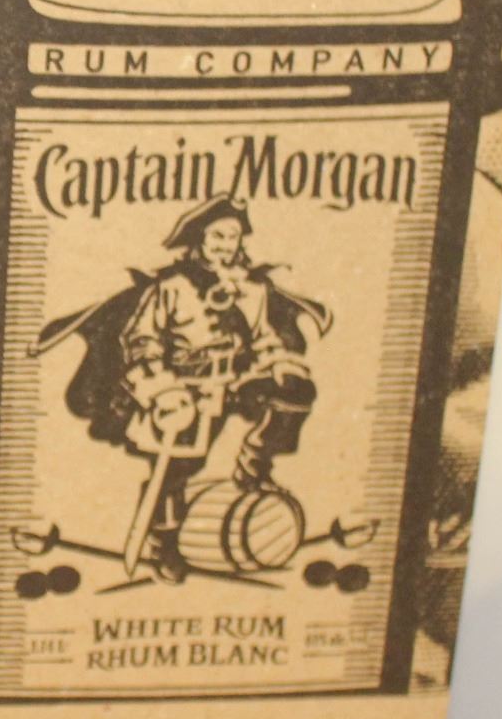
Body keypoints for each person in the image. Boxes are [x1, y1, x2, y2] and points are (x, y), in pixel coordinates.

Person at [36, 196, 330, 563]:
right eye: (217, 236)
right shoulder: (172, 287)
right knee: (178, 469)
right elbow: (141, 341)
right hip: (185, 391)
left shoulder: (252, 290)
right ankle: (164, 543)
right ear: (199, 240)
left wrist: (277, 363)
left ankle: (255, 464)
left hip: (235, 382)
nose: (226, 245)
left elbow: (263, 337)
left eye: (233, 237)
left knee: (295, 390)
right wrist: (162, 390)